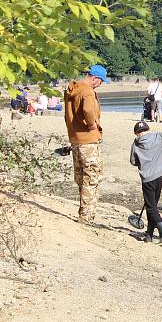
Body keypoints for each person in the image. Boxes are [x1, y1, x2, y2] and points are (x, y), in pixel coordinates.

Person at [64, 64, 109, 225]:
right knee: (91, 178)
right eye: (101, 81)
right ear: (94, 78)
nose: (101, 84)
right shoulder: (87, 91)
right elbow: (88, 111)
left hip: (75, 139)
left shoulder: (71, 90)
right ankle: (86, 217)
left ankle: (84, 213)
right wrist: (92, 125)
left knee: (81, 177)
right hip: (88, 141)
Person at [129, 121, 162, 245]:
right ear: (148, 130)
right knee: (152, 206)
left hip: (147, 178)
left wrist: (143, 160)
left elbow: (133, 161)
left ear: (136, 133)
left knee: (151, 207)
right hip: (160, 176)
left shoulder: (136, 143)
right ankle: (149, 235)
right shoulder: (159, 136)